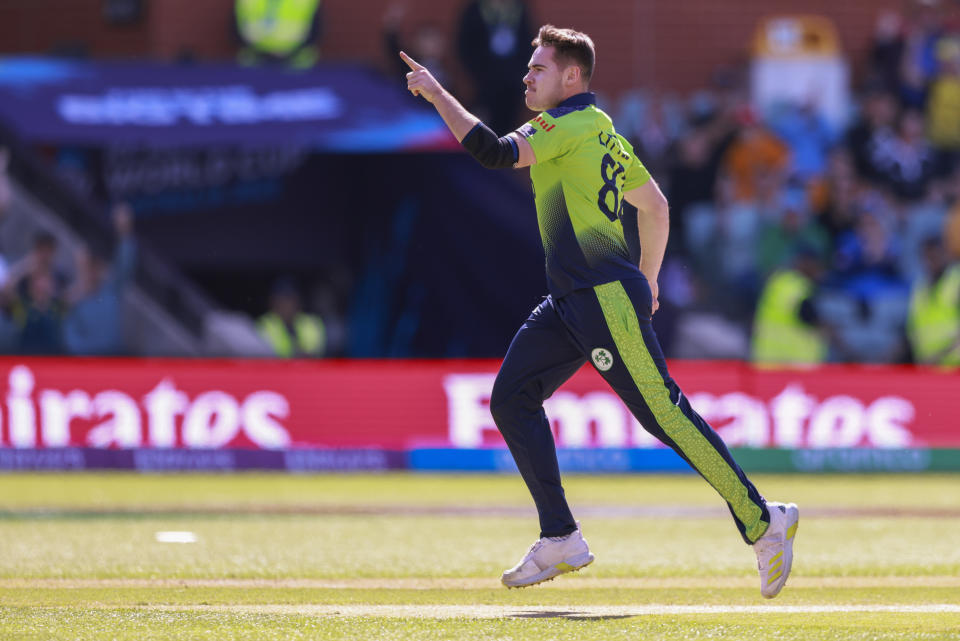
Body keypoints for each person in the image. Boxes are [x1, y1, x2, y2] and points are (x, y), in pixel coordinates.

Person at [400, 25, 799, 598]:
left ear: (571, 76)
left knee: (663, 413)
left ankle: (764, 521)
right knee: (511, 399)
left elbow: (492, 152)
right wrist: (652, 279)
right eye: (529, 67)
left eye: (538, 68)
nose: (526, 76)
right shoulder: (601, 127)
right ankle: (561, 536)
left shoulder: (564, 125)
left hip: (601, 294)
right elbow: (654, 205)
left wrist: (440, 95)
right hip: (574, 299)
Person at [63, 203, 138, 356]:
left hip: (113, 365)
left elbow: (126, 261)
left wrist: (124, 231)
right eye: (90, 265)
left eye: (97, 265)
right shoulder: (71, 299)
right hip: (84, 369)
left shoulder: (111, 289)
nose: (94, 270)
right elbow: (69, 341)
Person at [257, 278, 325, 358]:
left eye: (289, 298)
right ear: (272, 302)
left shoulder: (311, 322)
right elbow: (265, 354)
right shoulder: (264, 324)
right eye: (280, 300)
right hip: (276, 369)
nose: (285, 304)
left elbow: (315, 353)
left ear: (297, 301)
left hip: (308, 368)